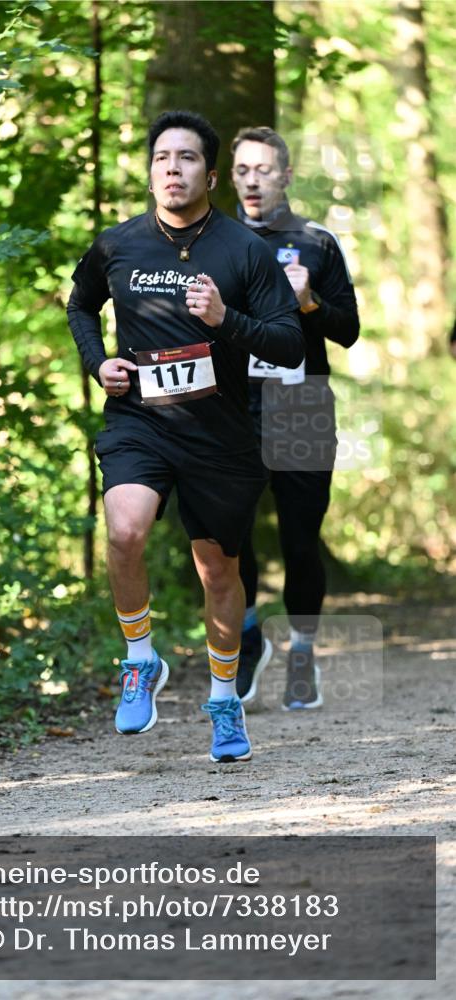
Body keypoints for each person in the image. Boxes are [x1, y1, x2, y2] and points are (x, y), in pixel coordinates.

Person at [67, 110, 304, 762]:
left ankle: (224, 700)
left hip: (220, 435)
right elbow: (80, 303)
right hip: (139, 419)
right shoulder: (117, 245)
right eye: (161, 158)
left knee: (217, 571)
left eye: (187, 158)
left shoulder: (243, 251)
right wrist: (98, 363)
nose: (172, 169)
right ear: (150, 171)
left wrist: (226, 320)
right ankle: (140, 659)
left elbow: (287, 342)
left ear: (210, 172)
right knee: (124, 529)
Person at [229, 126, 360, 711]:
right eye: (241, 170)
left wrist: (309, 303)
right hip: (231, 406)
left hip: (301, 403)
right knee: (230, 536)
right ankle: (250, 634)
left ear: (284, 176)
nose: (252, 180)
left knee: (301, 540)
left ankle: (302, 651)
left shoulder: (316, 241)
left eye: (263, 169)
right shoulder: (210, 239)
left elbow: (349, 330)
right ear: (228, 177)